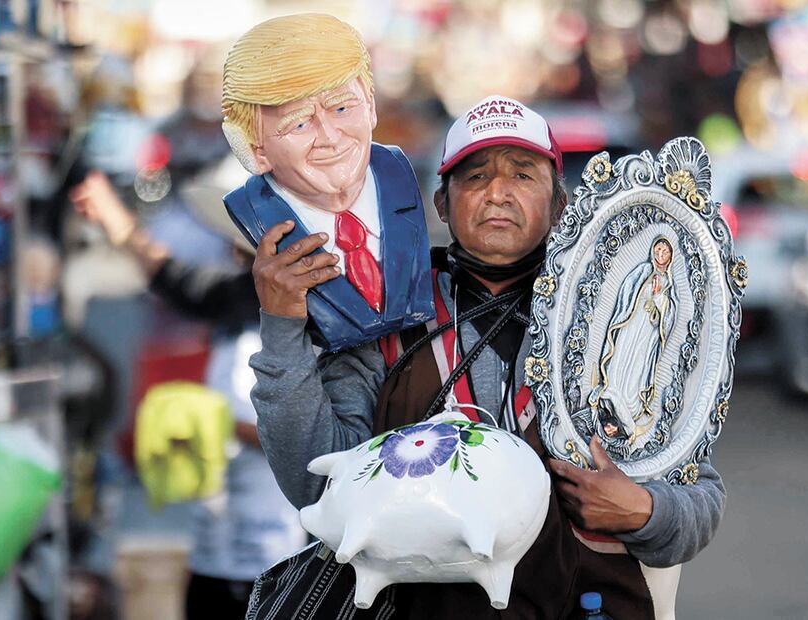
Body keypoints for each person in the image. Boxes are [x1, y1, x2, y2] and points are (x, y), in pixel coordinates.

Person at [249, 95, 725, 619]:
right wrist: (283, 324)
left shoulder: (614, 306)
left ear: (561, 203)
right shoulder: (384, 314)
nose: (497, 193)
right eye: (475, 177)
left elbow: (698, 495)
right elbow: (315, 485)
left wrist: (645, 512)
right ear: (441, 205)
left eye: (523, 175)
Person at [70, 163, 308, 619]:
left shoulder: (319, 312)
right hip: (218, 545)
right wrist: (116, 221)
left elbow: (312, 434)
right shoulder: (240, 294)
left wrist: (218, 423)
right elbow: (173, 278)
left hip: (282, 549)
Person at [220, 14, 434, 352]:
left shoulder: (408, 186)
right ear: (252, 149)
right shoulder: (262, 221)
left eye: (341, 108)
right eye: (300, 124)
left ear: (371, 106)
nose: (331, 138)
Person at [587, 237, 679, 450]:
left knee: (637, 370)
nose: (661, 254)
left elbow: (669, 318)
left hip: (647, 334)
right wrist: (641, 299)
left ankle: (629, 409)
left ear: (671, 257)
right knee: (620, 360)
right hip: (631, 326)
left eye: (665, 252)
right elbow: (627, 294)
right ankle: (611, 393)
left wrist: (659, 300)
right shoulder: (642, 272)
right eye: (658, 249)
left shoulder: (668, 285)